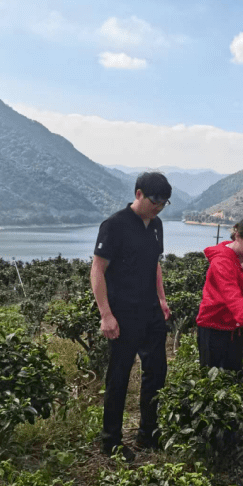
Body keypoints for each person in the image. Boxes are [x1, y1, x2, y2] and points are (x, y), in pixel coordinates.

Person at [92, 171, 173, 462]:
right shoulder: (114, 225)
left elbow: (155, 265)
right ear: (139, 194)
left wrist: (162, 299)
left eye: (164, 202)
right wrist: (106, 315)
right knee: (119, 376)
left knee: (156, 372)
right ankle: (110, 441)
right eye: (155, 200)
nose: (159, 206)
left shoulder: (157, 225)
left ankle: (148, 433)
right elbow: (97, 270)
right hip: (123, 313)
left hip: (150, 311)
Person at [196, 217, 243, 372]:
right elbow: (232, 296)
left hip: (234, 327)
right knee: (212, 380)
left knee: (233, 375)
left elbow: (237, 281)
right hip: (214, 327)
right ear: (237, 236)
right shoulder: (222, 261)